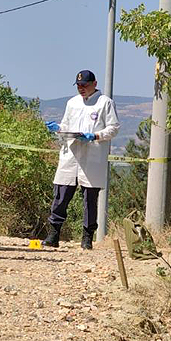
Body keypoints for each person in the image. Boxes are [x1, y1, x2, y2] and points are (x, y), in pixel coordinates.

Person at [42, 70, 120, 249]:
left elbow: (114, 128)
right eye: (78, 86)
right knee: (61, 195)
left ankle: (87, 238)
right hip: (70, 155)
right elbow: (66, 125)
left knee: (89, 199)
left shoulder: (105, 103)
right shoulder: (72, 103)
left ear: (94, 83)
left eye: (84, 85)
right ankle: (53, 234)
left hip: (92, 156)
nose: (81, 89)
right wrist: (58, 128)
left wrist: (94, 136)